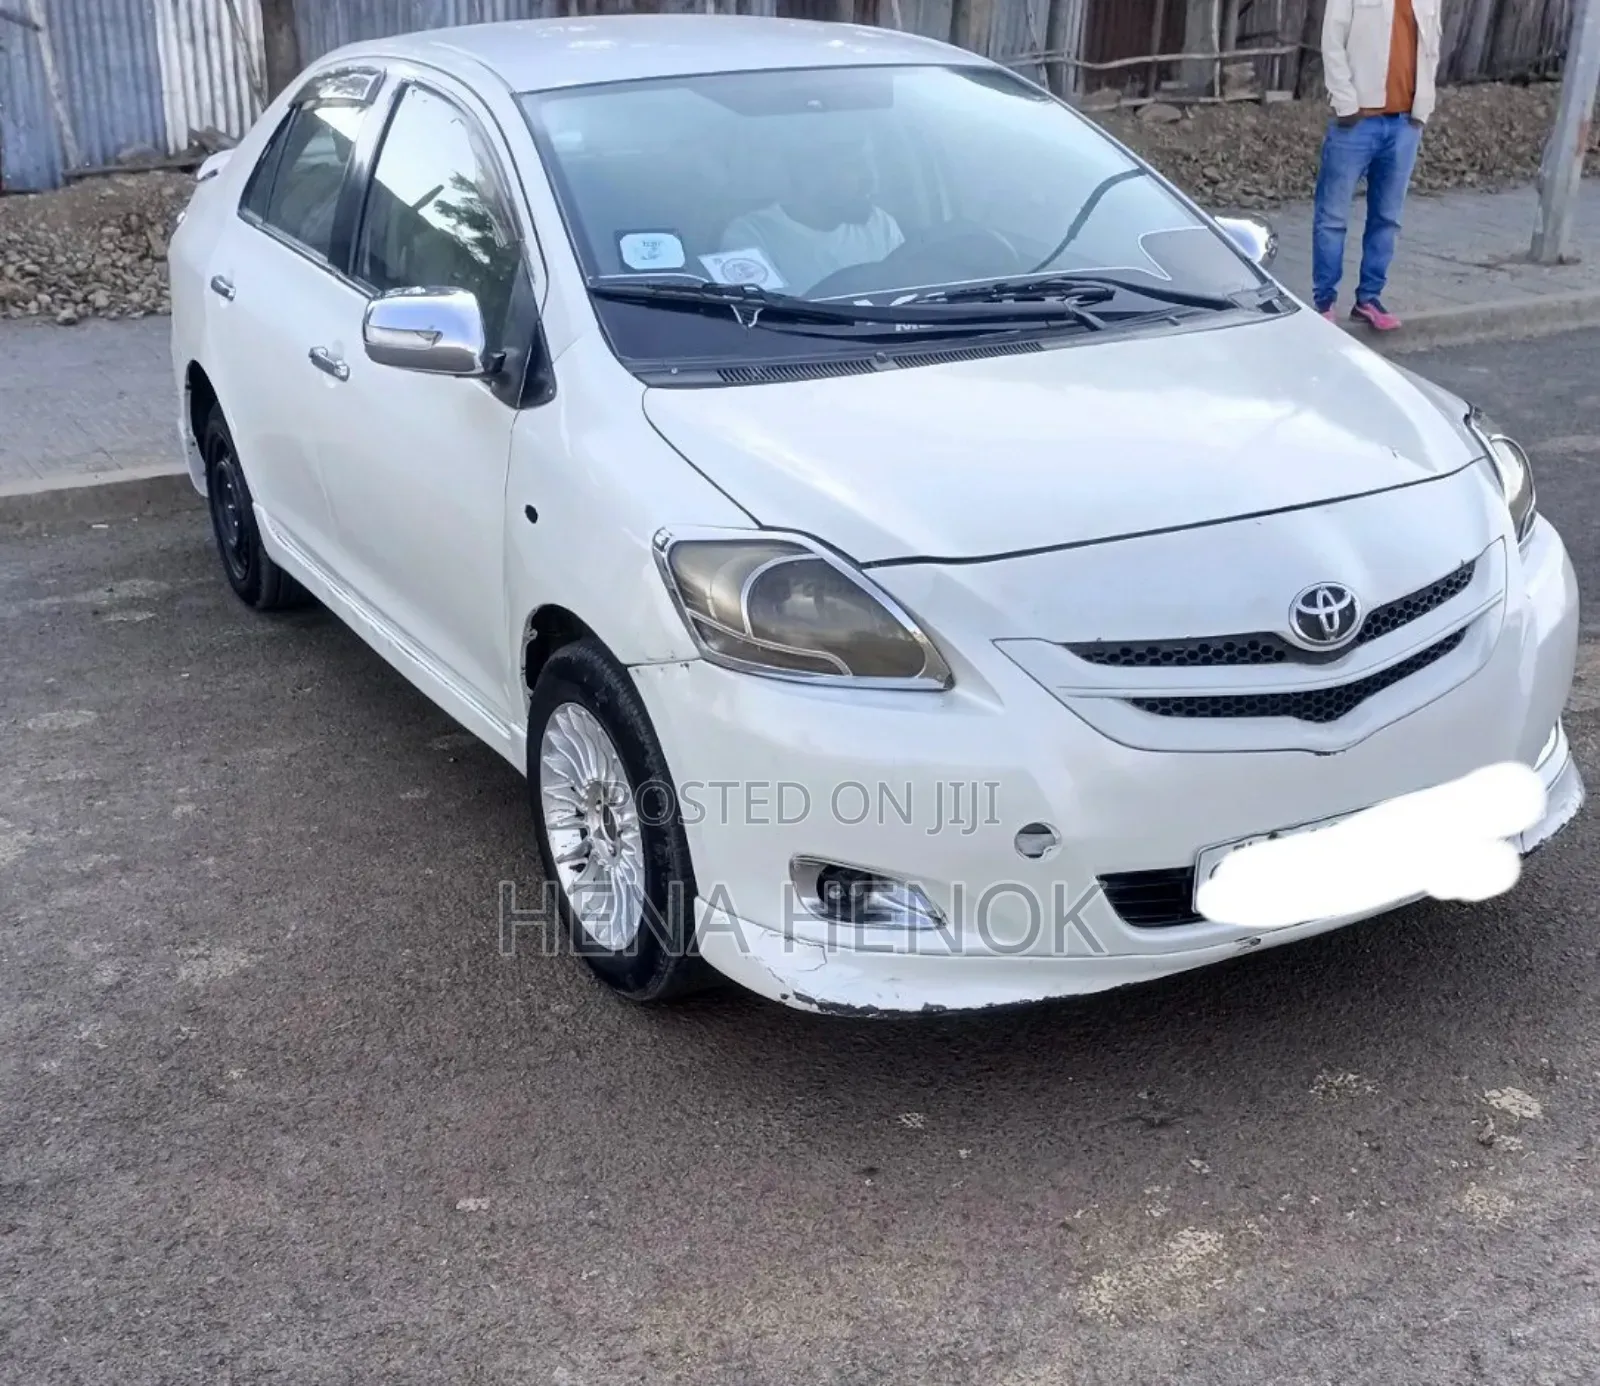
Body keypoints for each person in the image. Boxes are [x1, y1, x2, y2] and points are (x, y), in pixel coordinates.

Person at [1314, 0, 1442, 331]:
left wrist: (1422, 110)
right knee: (1332, 218)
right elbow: (1332, 42)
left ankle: (1369, 299)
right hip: (1357, 122)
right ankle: (1324, 303)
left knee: (1387, 219)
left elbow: (1431, 50)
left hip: (1403, 124)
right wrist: (1346, 103)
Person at [719, 132, 903, 296]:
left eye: (872, 163)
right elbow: (764, 318)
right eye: (854, 165)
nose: (871, 179)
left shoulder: (881, 224)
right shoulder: (751, 236)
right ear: (811, 175)